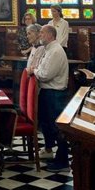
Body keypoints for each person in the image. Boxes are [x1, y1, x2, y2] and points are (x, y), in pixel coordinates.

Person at [30, 25, 70, 170]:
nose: (39, 35)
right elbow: (41, 68)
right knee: (48, 125)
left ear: (50, 35)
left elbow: (45, 74)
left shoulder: (55, 51)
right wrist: (37, 70)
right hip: (47, 93)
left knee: (56, 128)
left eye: (42, 32)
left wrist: (35, 70)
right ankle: (56, 156)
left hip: (54, 94)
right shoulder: (49, 50)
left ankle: (63, 161)